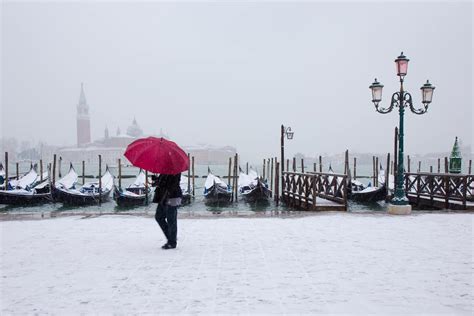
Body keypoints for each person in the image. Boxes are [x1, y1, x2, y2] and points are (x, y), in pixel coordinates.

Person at [153, 173, 182, 249]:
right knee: (159, 217)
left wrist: (163, 184)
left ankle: (172, 242)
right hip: (163, 196)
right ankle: (171, 237)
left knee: (171, 219)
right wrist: (156, 180)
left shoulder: (175, 171)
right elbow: (161, 183)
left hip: (173, 196)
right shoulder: (164, 171)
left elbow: (173, 184)